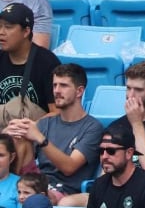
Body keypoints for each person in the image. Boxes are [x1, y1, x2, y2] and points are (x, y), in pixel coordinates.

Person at [7, 63, 101, 197]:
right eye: (55, 85)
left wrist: (41, 139)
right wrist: (9, 136)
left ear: (79, 91)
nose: (56, 91)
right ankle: (10, 190)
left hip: (66, 192)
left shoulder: (92, 127)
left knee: (35, 196)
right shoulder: (45, 123)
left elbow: (70, 167)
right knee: (19, 140)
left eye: (63, 86)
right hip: (37, 185)